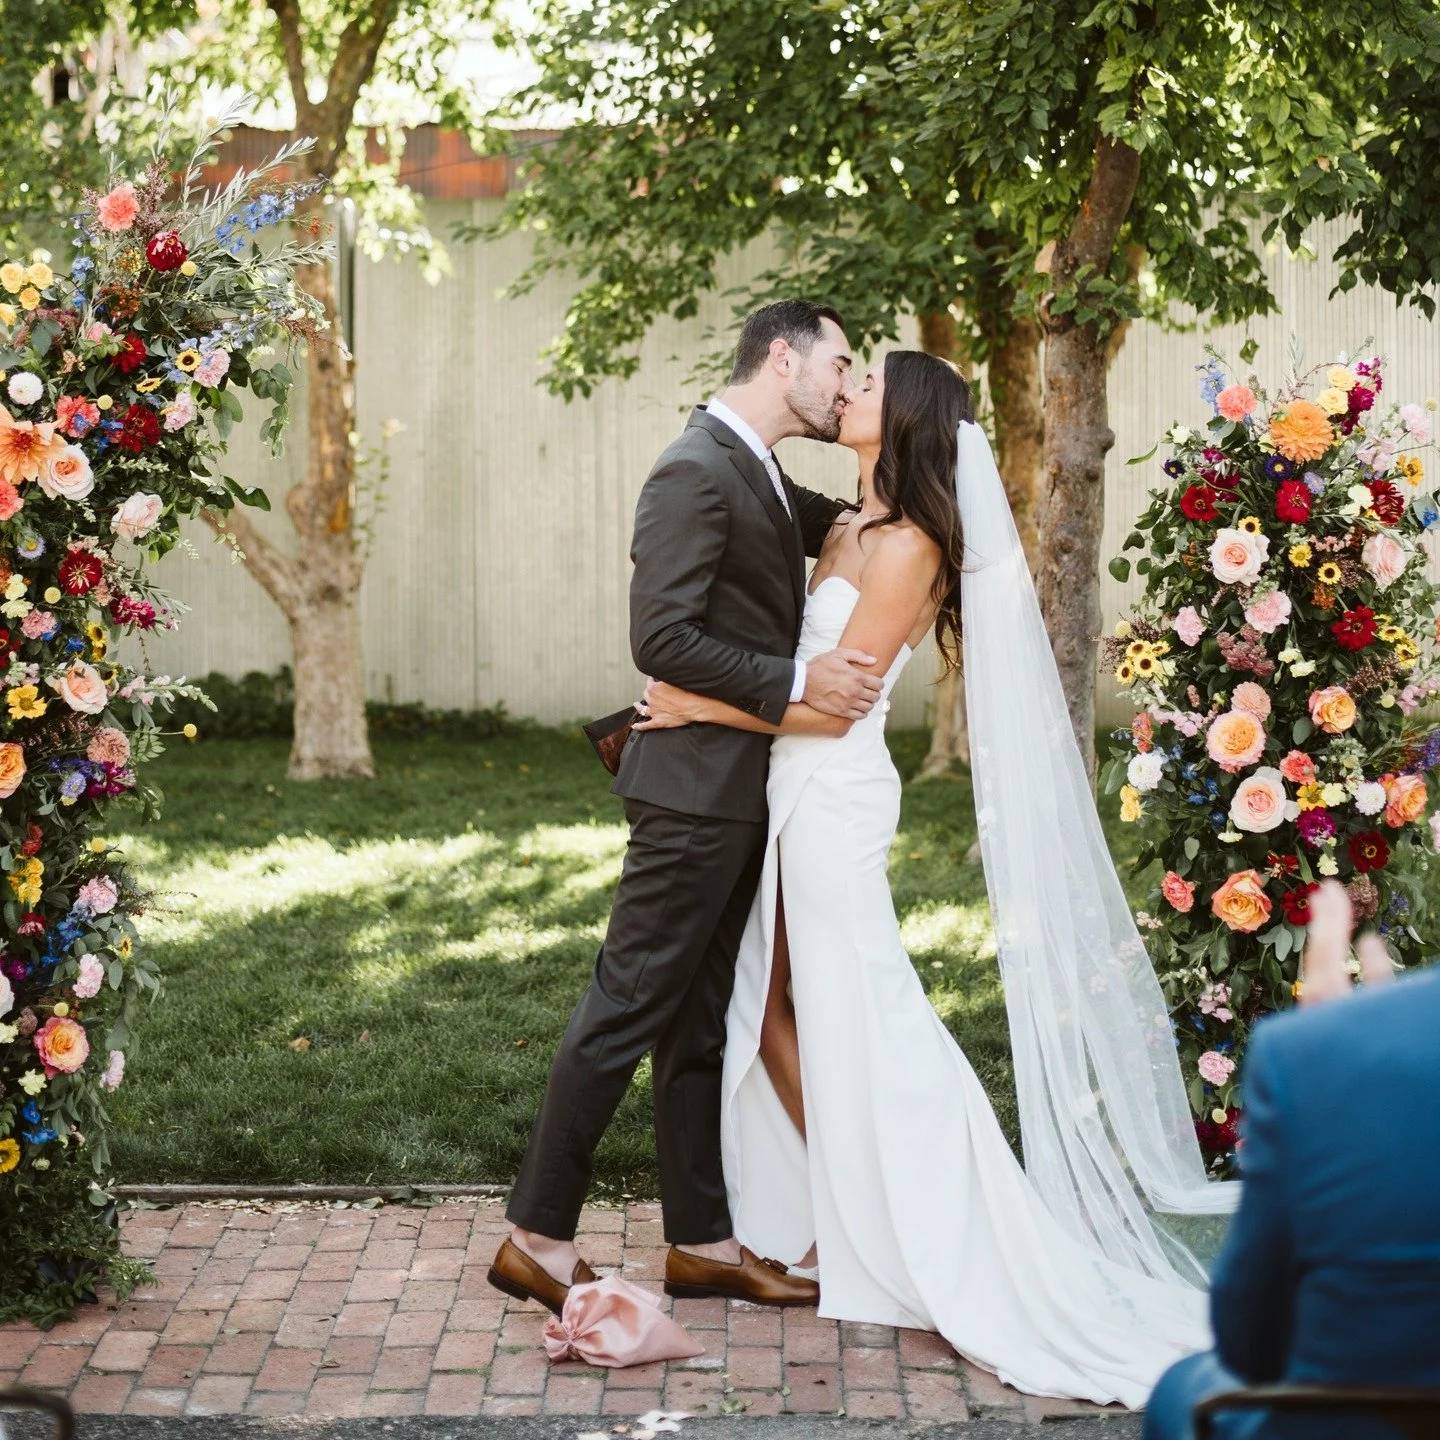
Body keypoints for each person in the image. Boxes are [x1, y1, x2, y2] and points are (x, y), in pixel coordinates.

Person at [634, 348, 1227, 1408]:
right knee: (766, 1001)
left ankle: (921, 1220)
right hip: (784, 785)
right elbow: (789, 661)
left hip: (831, 794)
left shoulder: (907, 546)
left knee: (862, 1011)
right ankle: (858, 1211)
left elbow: (836, 705)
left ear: (901, 417)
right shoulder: (849, 527)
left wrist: (689, 706)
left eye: (865, 384)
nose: (846, 388)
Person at [490, 300, 883, 1314]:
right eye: (840, 363)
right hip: (693, 794)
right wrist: (793, 688)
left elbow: (841, 525)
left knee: (700, 1024)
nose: (845, 384)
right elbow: (660, 640)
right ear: (783, 356)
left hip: (738, 790)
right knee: (625, 1005)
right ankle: (536, 1235)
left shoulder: (752, 467)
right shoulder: (692, 469)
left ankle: (704, 1242)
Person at [1143, 879, 1440, 1440]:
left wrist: (1333, 1074)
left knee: (1181, 1392)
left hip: (1349, 1422)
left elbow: (1249, 1340)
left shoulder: (1312, 1051)